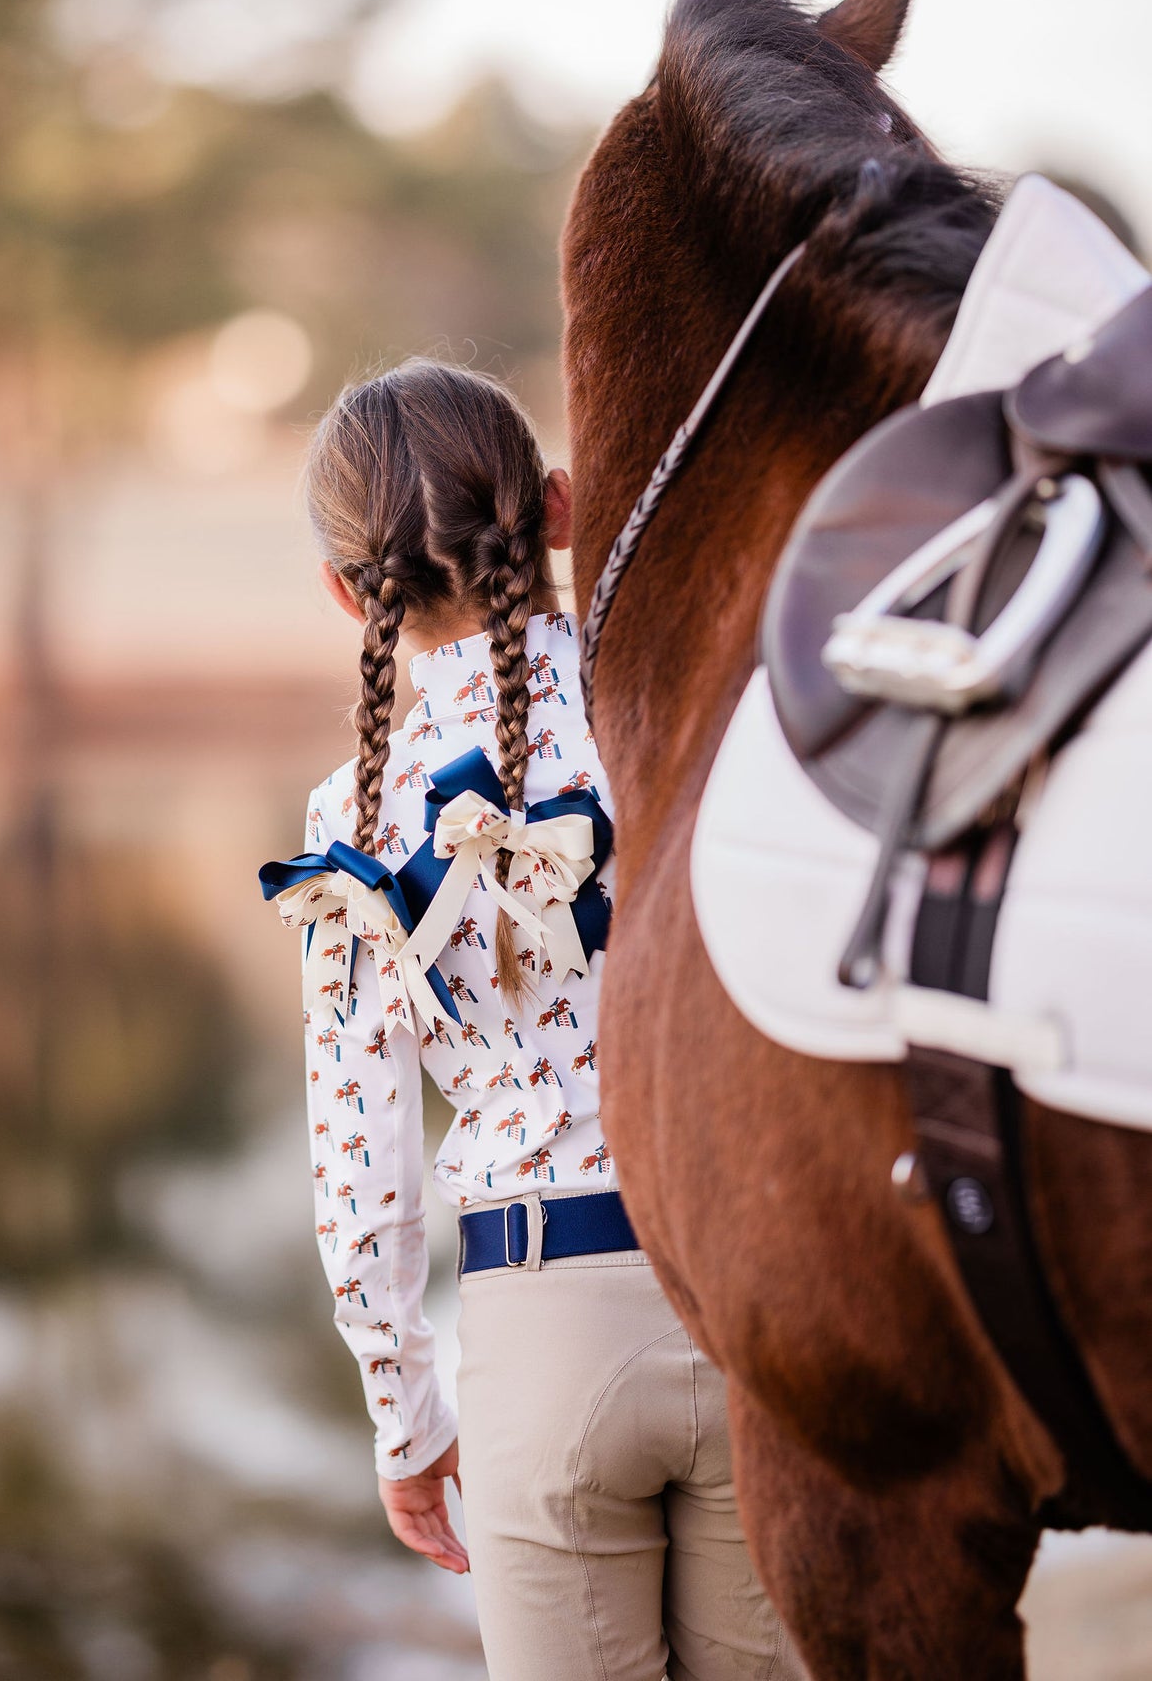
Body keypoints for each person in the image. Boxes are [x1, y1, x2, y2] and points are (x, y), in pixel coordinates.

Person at [265, 361, 804, 1681]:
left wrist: (404, 1414)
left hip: (538, 1326)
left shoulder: (355, 821)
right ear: (560, 509)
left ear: (346, 590)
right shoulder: (693, 716)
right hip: (748, 1298)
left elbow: (361, 1165)